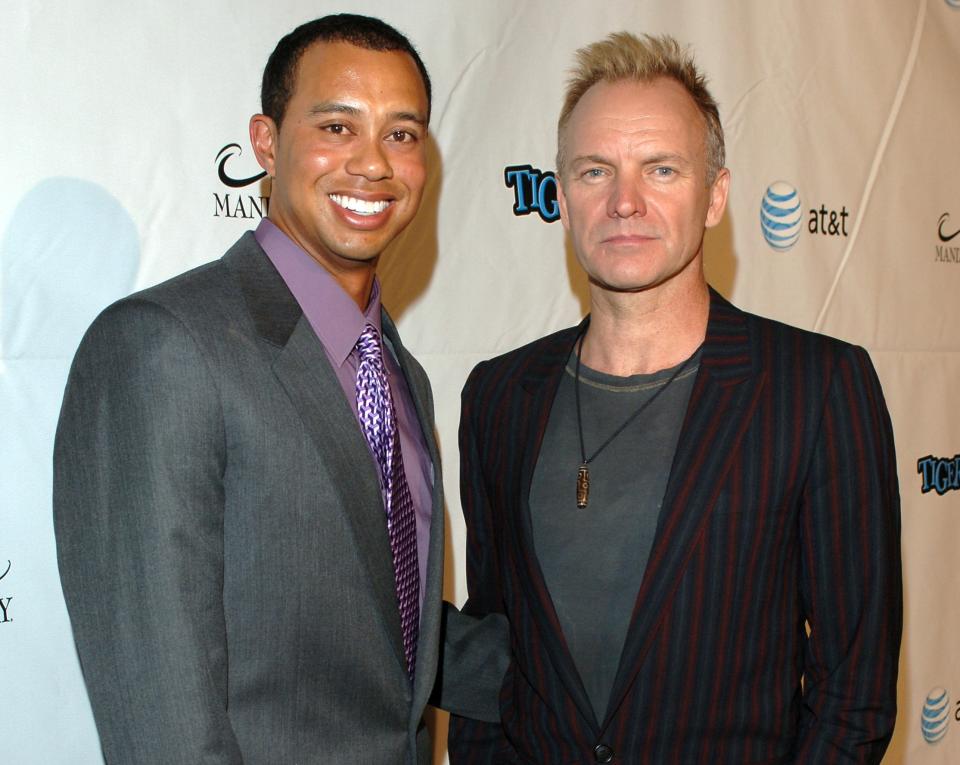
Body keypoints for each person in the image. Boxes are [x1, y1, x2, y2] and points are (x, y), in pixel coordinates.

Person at [54, 14, 504, 765]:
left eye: (402, 134)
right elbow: (163, 725)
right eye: (337, 126)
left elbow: (385, 632)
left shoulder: (400, 371)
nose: (373, 164)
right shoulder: (161, 345)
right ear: (266, 141)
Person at [448, 32, 901, 764]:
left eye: (661, 168)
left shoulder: (817, 388)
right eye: (596, 171)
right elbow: (493, 643)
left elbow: (855, 692)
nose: (625, 201)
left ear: (715, 195)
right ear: (561, 197)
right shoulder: (499, 394)